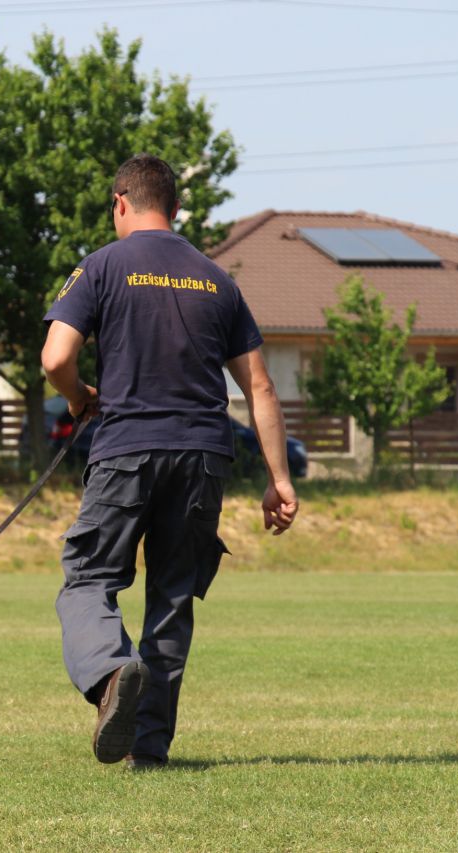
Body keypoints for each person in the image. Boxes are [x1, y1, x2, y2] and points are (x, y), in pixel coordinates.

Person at [40, 153, 298, 770]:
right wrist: (279, 480)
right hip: (204, 457)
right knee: (173, 598)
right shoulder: (217, 280)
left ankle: (111, 672)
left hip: (126, 450)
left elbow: (55, 358)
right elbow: (260, 387)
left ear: (120, 203)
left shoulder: (101, 266)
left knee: (89, 580)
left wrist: (78, 398)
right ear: (176, 209)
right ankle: (149, 749)